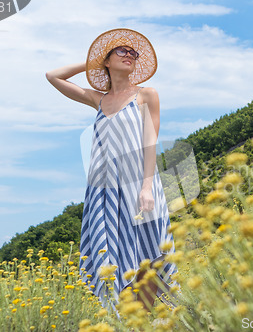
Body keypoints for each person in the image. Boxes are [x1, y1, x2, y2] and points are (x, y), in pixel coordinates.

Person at [45, 28, 179, 316]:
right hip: (104, 191)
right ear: (107, 60)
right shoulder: (98, 99)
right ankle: (125, 320)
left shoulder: (147, 95)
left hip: (139, 184)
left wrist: (146, 188)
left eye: (134, 52)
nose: (130, 55)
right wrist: (91, 61)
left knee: (148, 253)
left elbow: (150, 143)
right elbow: (53, 76)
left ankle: (146, 317)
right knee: (112, 255)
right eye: (123, 51)